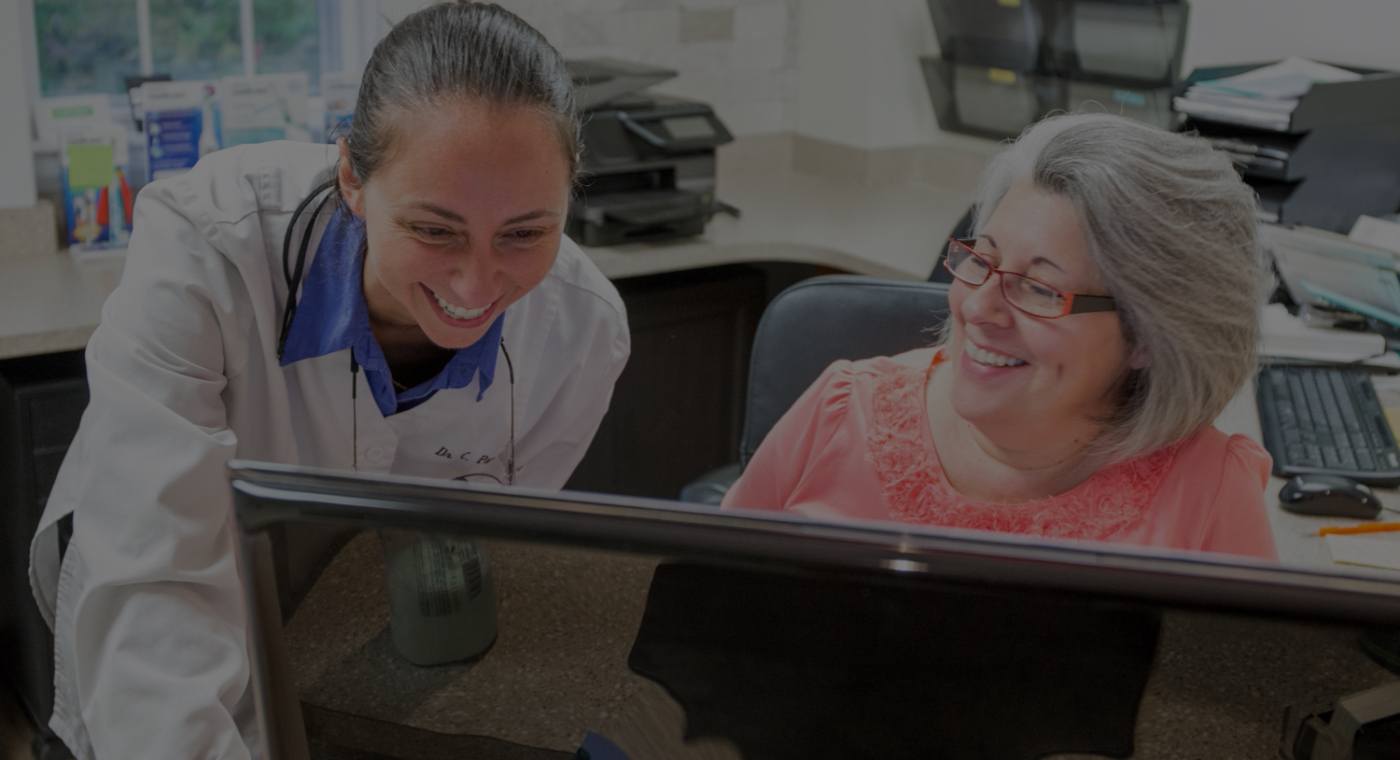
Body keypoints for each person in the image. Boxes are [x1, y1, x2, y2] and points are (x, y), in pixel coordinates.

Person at [27, 3, 630, 757]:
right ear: (351, 175)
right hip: (158, 652)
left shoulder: (582, 334)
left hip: (366, 668)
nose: (477, 283)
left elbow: (480, 562)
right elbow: (156, 592)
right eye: (434, 229)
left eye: (526, 232)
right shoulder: (205, 248)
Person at [723, 113, 1276, 560]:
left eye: (1038, 288)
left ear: (1148, 338)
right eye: (981, 260)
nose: (980, 306)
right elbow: (695, 616)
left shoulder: (1207, 495)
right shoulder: (839, 412)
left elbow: (1242, 694)